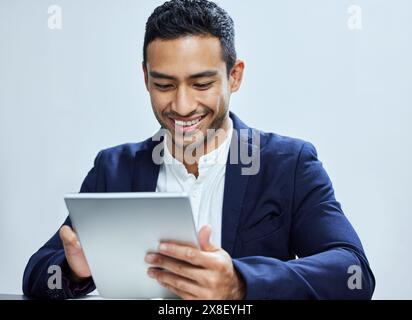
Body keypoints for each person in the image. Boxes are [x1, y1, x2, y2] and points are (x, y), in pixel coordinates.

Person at [23, 0, 375, 300]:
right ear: (146, 78)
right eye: (164, 84)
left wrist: (240, 283)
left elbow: (352, 271)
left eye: (201, 84)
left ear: (234, 76)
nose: (182, 104)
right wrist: (74, 270)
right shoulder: (113, 169)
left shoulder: (289, 164)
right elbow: (37, 272)